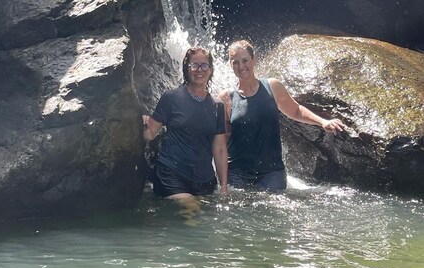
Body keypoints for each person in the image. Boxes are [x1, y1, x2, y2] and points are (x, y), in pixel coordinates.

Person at [218, 40, 346, 192]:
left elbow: (296, 110)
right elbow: (220, 143)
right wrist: (223, 183)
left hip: (272, 173)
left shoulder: (272, 87)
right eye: (235, 62)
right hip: (237, 174)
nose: (241, 67)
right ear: (230, 65)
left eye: (245, 60)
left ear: (254, 60)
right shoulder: (226, 98)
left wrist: (323, 122)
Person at [142, 46, 228, 205]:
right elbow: (150, 133)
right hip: (172, 175)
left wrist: (223, 186)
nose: (199, 70)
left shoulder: (218, 106)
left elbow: (220, 149)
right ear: (187, 69)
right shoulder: (171, 97)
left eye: (204, 65)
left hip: (205, 180)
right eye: (194, 65)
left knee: (204, 215)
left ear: (210, 70)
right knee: (191, 207)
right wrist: (140, 121)